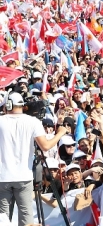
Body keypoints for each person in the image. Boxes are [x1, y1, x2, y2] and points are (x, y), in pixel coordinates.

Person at [0, 92, 68, 226]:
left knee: (3, 217)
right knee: (26, 217)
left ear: (7, 105)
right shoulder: (33, 121)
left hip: (2, 177)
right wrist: (60, 133)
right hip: (24, 176)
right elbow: (46, 146)